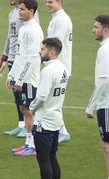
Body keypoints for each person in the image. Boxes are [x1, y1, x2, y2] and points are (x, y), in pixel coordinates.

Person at [0, 0, 39, 138]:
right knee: (18, 98)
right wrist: (4, 56)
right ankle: (21, 125)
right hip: (15, 58)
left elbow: (33, 48)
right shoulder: (12, 15)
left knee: (27, 102)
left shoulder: (31, 20)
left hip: (25, 63)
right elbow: (10, 37)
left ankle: (31, 138)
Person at [6, 0, 43, 156]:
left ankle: (33, 146)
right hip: (20, 77)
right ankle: (28, 143)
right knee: (23, 108)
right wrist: (11, 75)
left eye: (21, 9)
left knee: (29, 111)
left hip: (29, 79)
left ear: (31, 11)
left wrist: (20, 79)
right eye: (18, 9)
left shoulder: (34, 30)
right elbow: (20, 56)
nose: (18, 12)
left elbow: (33, 58)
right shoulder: (23, 28)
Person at [30, 38, 68, 179]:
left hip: (43, 121)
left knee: (43, 159)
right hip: (56, 118)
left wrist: (31, 107)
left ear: (51, 52)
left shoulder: (48, 71)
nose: (40, 52)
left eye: (42, 49)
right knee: (52, 157)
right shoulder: (63, 68)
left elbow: (41, 97)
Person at [86, 15, 109, 179]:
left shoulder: (105, 50)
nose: (93, 30)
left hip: (107, 106)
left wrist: (90, 106)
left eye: (96, 27)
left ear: (105, 29)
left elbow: (103, 81)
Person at [45, 0, 73, 143]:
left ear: (59, 2)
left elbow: (57, 43)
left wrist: (43, 55)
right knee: (55, 100)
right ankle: (62, 131)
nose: (47, 5)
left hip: (59, 67)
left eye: (51, 2)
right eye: (46, 2)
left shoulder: (60, 20)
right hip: (58, 65)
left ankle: (61, 131)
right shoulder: (57, 18)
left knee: (54, 100)